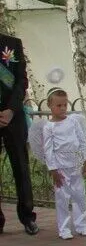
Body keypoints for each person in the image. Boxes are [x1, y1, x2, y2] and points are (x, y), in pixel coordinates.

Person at [40, 89, 86, 239]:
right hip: (61, 167)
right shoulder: (48, 127)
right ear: (50, 105)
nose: (63, 108)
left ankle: (82, 225)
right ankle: (64, 229)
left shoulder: (73, 122)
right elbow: (48, 150)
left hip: (76, 164)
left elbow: (81, 141)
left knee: (79, 196)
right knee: (62, 198)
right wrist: (53, 170)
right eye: (59, 105)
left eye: (65, 105)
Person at [0, 32, 38, 235]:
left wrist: (11, 110)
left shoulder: (12, 44)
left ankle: (27, 216)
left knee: (21, 168)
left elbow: (21, 81)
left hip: (13, 116)